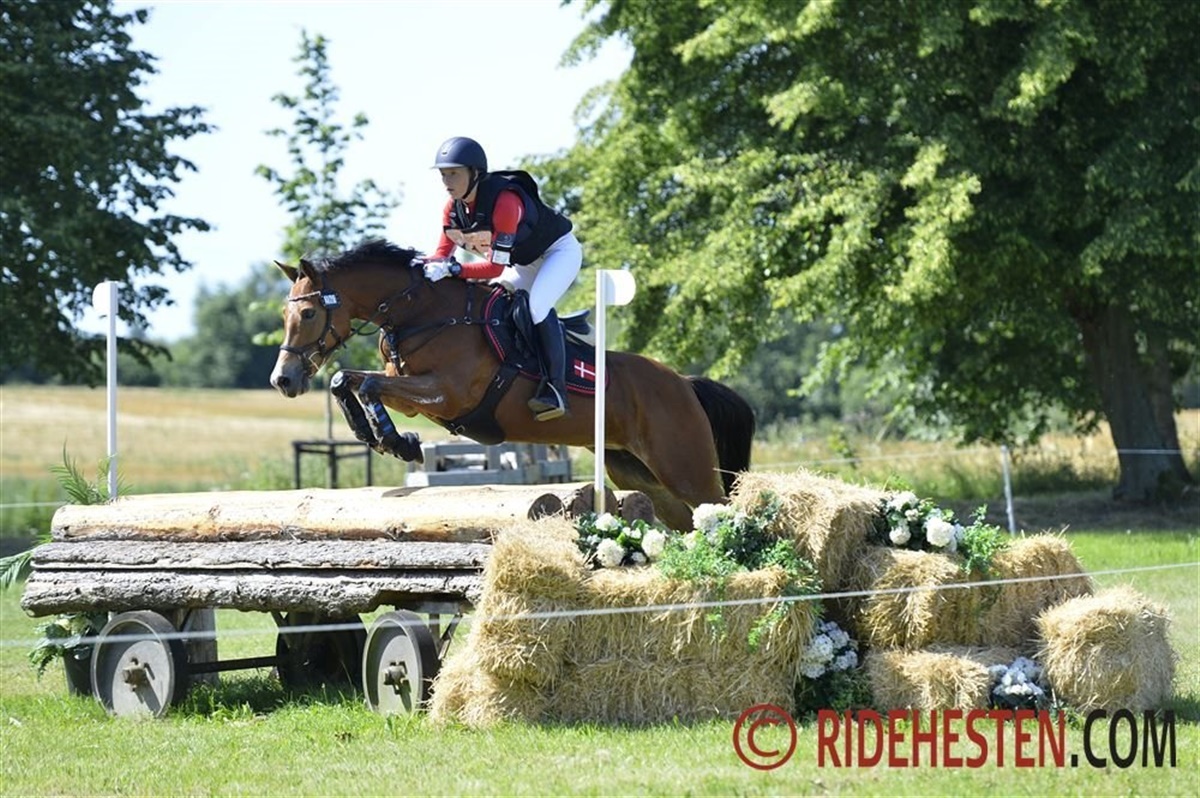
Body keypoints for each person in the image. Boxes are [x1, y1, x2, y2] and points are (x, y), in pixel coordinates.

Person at [422, 136, 581, 421]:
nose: (447, 181)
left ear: (475, 173)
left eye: (454, 173)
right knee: (490, 301)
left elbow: (494, 269)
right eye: (443, 174)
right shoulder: (452, 209)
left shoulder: (505, 202)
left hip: (558, 253)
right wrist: (418, 265)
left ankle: (556, 390)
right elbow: (441, 255)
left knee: (536, 307)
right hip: (524, 263)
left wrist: (456, 270)